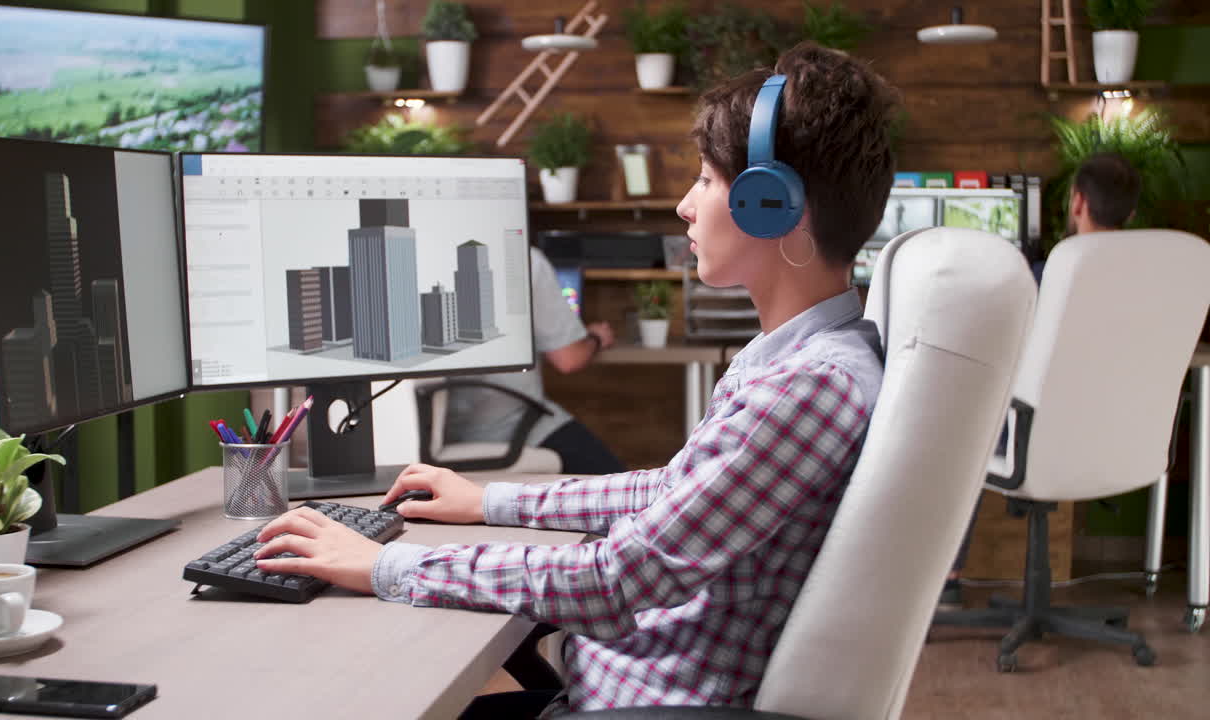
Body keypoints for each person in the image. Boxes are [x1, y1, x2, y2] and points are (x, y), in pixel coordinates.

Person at [252, 42, 899, 717]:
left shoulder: (806, 391)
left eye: (706, 180)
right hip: (618, 677)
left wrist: (384, 567)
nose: (685, 205)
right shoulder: (796, 361)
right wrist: (491, 501)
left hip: (637, 703)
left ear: (769, 205)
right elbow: (669, 488)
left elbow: (613, 580)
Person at [941, 150, 1141, 608]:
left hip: (1038, 439)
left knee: (965, 425)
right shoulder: (1149, 282)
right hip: (1120, 443)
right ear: (1129, 212)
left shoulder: (1050, 274)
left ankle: (948, 578)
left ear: (1076, 202)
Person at [441, 245, 625, 475]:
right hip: (515, 430)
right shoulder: (522, 259)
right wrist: (596, 337)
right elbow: (569, 358)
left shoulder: (425, 256)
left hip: (432, 440)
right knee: (618, 484)